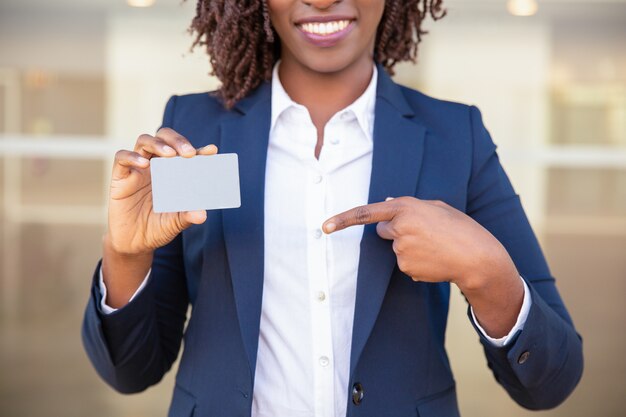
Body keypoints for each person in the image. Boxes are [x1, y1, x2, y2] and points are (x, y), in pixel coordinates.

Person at [82, 1, 583, 416]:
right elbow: (131, 372)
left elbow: (550, 383)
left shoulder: (456, 138)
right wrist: (126, 256)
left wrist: (486, 273)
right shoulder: (194, 128)